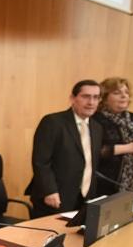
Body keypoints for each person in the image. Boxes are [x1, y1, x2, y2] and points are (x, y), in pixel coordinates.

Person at [25, 80, 103, 218]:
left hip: (84, 198)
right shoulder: (53, 122)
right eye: (85, 96)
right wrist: (49, 191)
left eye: (96, 97)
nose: (91, 102)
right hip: (55, 197)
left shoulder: (97, 127)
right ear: (73, 98)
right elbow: (41, 161)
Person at [93, 77, 133, 195]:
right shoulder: (95, 119)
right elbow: (95, 151)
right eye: (117, 93)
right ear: (104, 98)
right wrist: (128, 148)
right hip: (103, 184)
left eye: (126, 92)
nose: (123, 96)